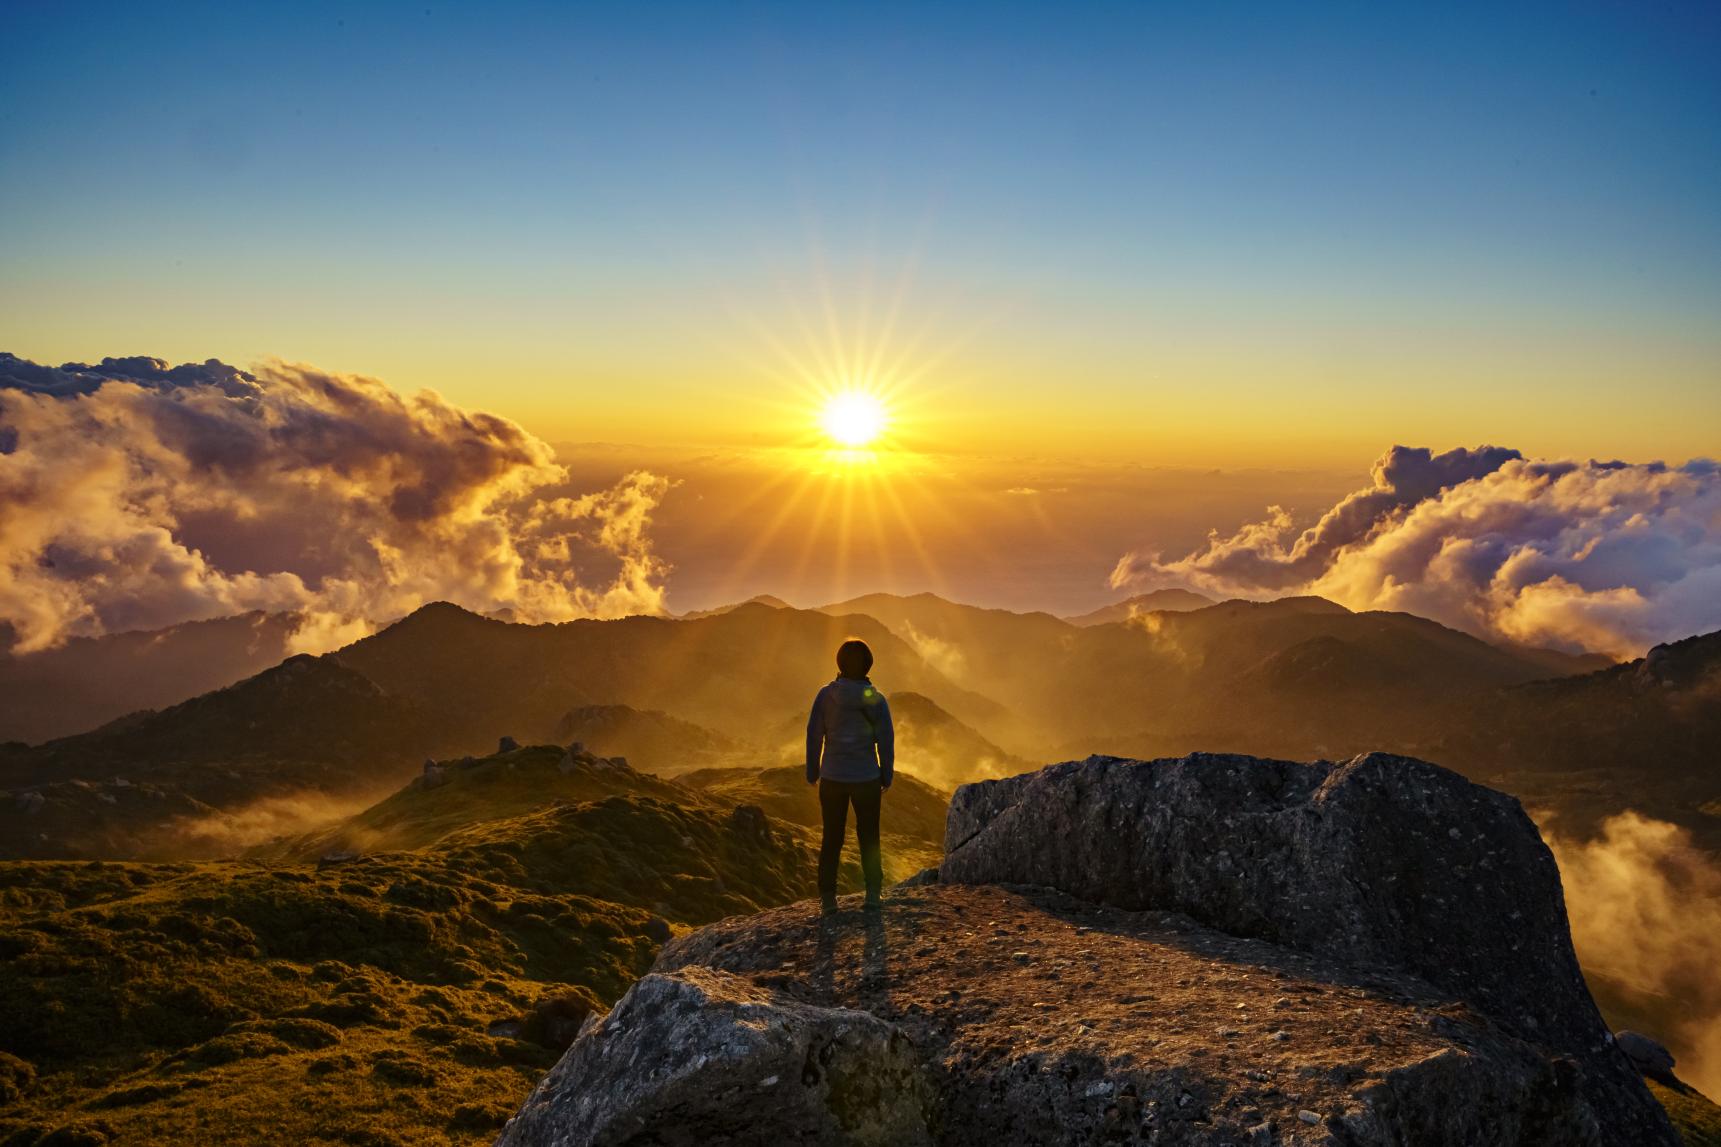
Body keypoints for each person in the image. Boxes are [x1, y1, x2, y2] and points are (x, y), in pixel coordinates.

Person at [805, 637, 894, 915]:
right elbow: (886, 741)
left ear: (839, 663)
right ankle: (872, 894)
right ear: (868, 665)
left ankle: (828, 899)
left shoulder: (825, 696)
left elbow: (814, 734)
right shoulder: (876, 700)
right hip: (866, 779)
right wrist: (885, 775)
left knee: (832, 837)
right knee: (869, 837)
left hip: (832, 779)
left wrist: (812, 772)